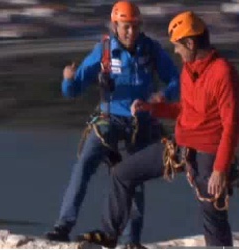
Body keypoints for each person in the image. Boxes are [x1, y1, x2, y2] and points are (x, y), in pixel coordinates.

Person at [76, 11, 239, 248]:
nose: (176, 51)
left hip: (208, 152)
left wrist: (220, 170)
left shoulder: (222, 73)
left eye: (178, 46)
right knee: (122, 174)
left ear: (190, 43)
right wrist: (152, 108)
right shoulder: (190, 70)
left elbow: (231, 125)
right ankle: (109, 235)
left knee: (211, 211)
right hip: (182, 145)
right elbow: (186, 109)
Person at [44, 1, 181, 247]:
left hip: (140, 125)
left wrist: (164, 96)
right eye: (126, 26)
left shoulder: (151, 50)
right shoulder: (104, 51)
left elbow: (176, 80)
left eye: (135, 26)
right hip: (108, 122)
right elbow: (75, 89)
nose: (130, 32)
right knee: (84, 167)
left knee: (132, 179)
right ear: (115, 25)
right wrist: (68, 80)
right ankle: (63, 226)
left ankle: (131, 240)